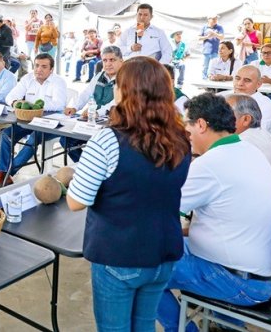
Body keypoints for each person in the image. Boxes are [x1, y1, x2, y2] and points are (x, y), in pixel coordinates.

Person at [65, 56, 190, 331]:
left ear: (125, 91)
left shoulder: (107, 140)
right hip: (164, 252)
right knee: (144, 325)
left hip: (119, 254)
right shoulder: (181, 138)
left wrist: (71, 178)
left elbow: (76, 202)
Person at [156, 93, 271, 332]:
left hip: (242, 282)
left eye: (187, 127)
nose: (186, 135)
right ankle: (228, 327)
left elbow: (159, 211)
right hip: (263, 274)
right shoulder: (247, 149)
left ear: (201, 124)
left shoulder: (211, 164)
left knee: (138, 267)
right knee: (169, 246)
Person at [0, 53, 67, 187]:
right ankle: (3, 173)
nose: (39, 69)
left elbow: (59, 104)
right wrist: (15, 103)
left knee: (33, 139)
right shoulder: (28, 78)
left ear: (51, 69)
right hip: (28, 120)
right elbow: (10, 97)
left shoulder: (58, 81)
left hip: (51, 123)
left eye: (44, 67)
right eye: (36, 66)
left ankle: (7, 174)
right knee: (6, 134)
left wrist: (32, 106)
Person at [226, 94, 271, 248]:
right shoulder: (262, 135)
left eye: (224, 114)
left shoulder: (243, 144)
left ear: (245, 119)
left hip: (263, 234)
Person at [60, 46, 124, 161]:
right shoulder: (99, 75)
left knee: (99, 146)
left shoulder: (125, 78)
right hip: (95, 121)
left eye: (112, 60)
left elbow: (117, 102)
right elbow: (86, 93)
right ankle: (85, 165)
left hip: (114, 123)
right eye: (105, 60)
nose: (108, 64)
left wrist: (97, 112)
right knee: (66, 140)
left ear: (121, 61)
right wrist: (74, 107)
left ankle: (94, 166)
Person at [220, 65, 271, 133]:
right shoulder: (220, 97)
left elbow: (256, 133)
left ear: (259, 84)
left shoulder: (266, 106)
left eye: (247, 80)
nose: (240, 83)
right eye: (237, 78)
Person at [198, 15, 224, 80]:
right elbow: (199, 38)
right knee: (205, 66)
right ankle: (204, 79)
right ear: (208, 19)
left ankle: (213, 79)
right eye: (213, 19)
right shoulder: (204, 27)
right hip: (206, 50)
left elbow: (222, 37)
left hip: (216, 51)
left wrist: (214, 33)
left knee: (214, 66)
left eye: (216, 19)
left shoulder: (219, 27)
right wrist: (207, 37)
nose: (215, 20)